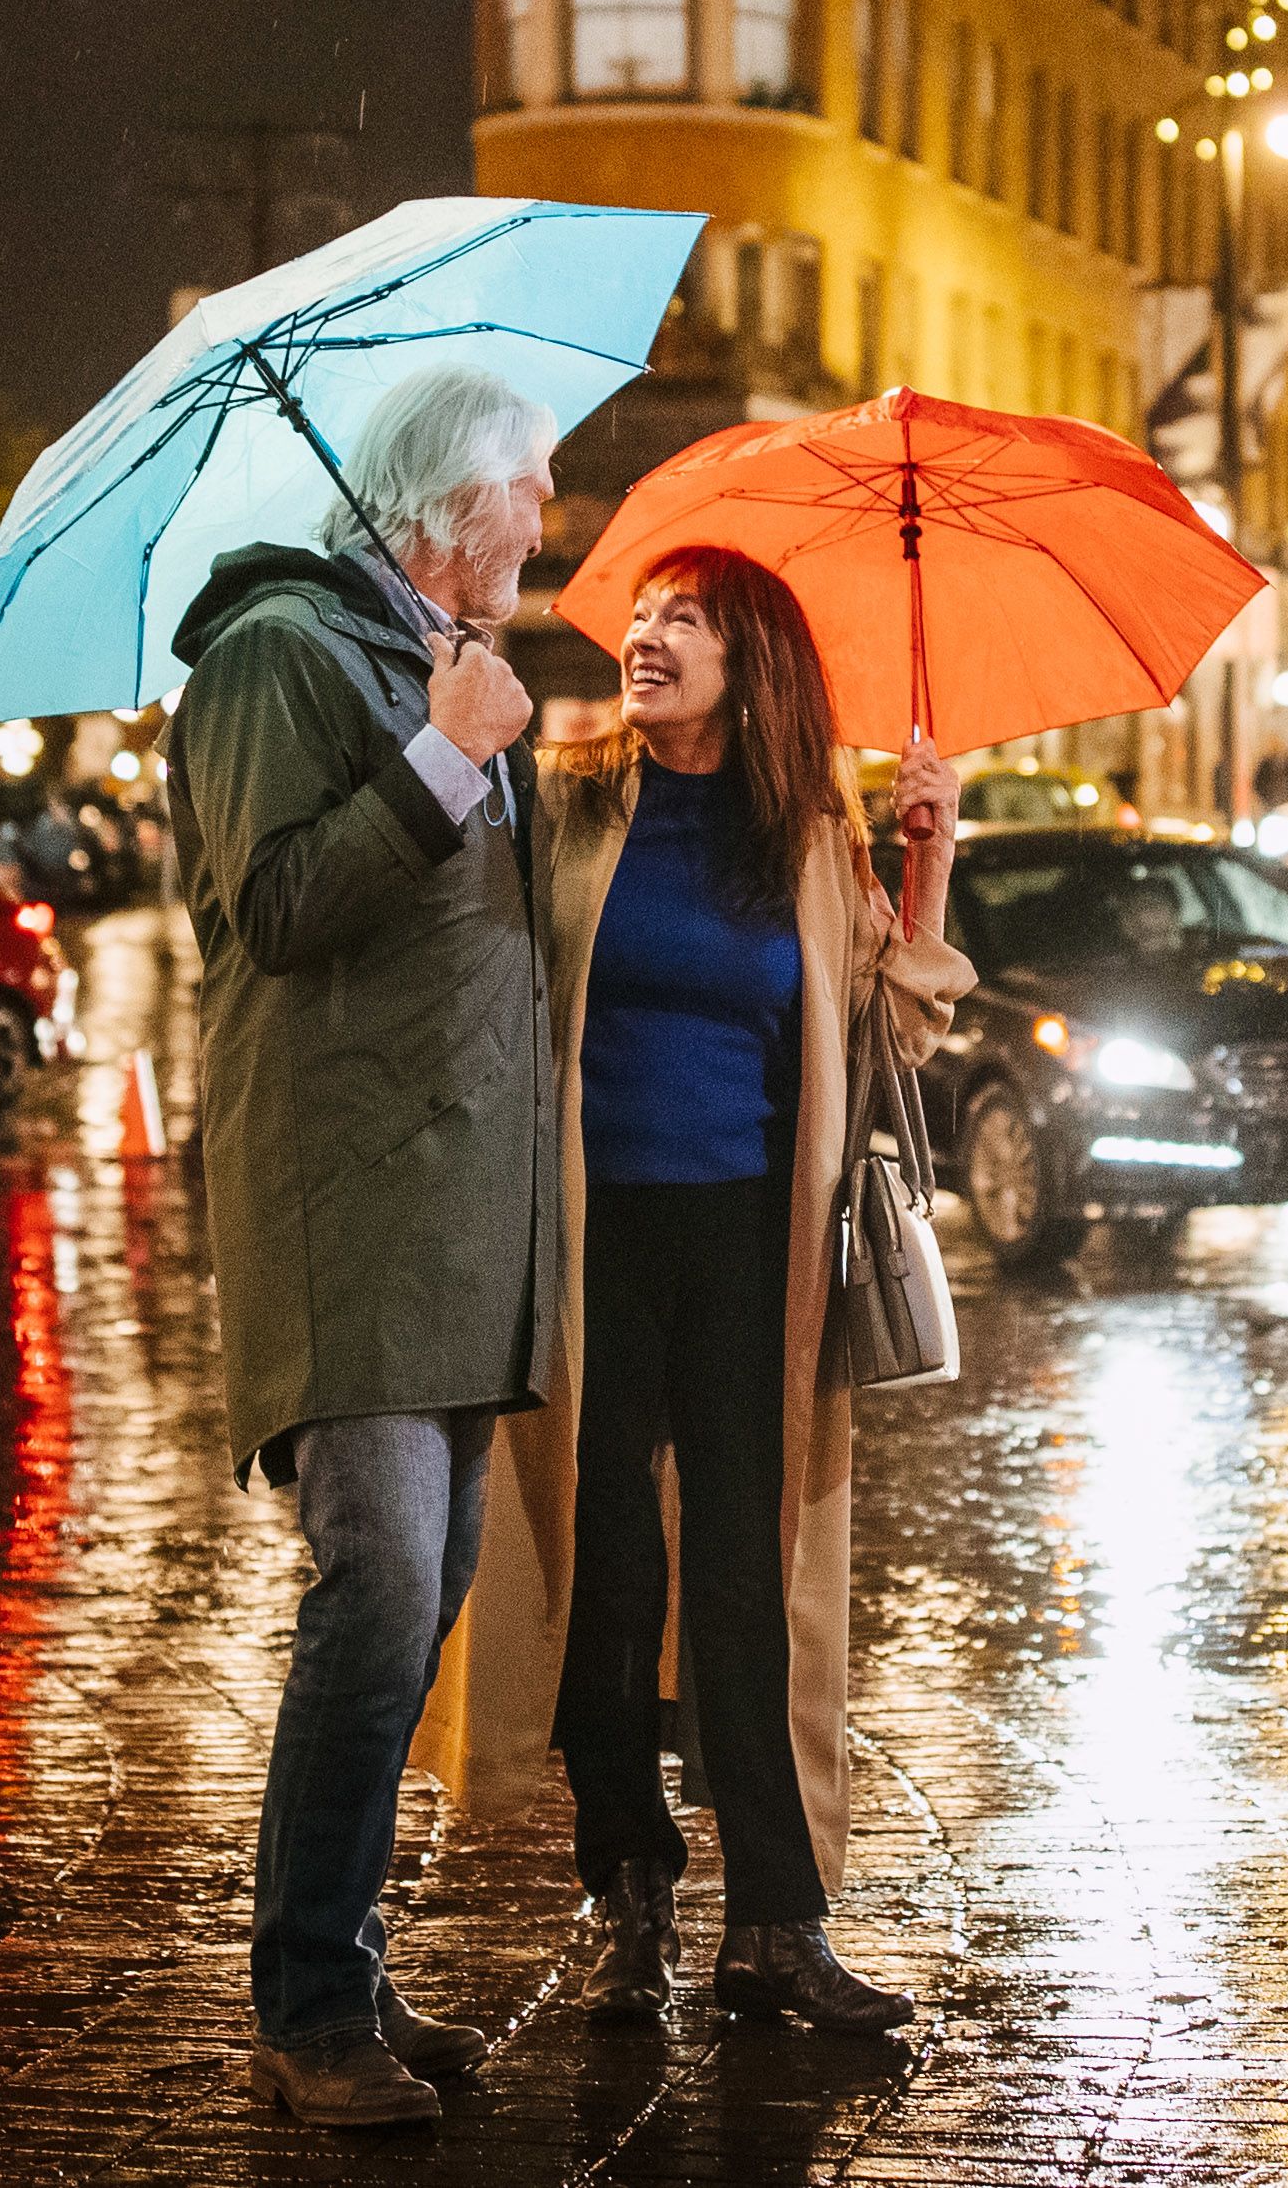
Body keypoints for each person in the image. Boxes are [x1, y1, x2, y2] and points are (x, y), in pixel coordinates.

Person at [420, 550, 969, 2037]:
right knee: (608, 1577)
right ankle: (630, 1897)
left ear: (752, 663)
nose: (646, 637)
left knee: (747, 1573)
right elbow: (465, 964)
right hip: (591, 1245)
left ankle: (776, 1925)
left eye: (684, 620)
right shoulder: (567, 797)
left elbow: (887, 1033)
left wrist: (925, 856)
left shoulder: (807, 831)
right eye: (642, 615)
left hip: (751, 1243)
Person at [170, 363, 565, 2131]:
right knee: (380, 1595)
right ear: (441, 506)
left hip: (457, 1214)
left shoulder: (429, 664)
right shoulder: (275, 656)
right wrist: (446, 752)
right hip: (347, 1208)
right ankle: (306, 2004)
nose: (543, 525)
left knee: (425, 1614)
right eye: (526, 492)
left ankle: (345, 1967)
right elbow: (276, 906)